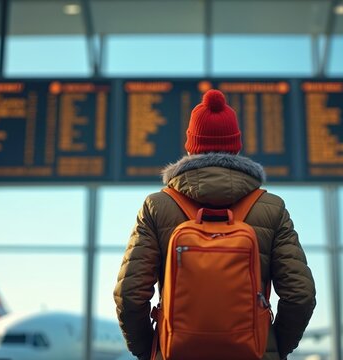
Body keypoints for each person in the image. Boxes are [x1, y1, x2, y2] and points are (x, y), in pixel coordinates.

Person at [114, 89, 316, 360]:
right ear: (236, 146)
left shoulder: (157, 207)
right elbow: (300, 295)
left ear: (190, 146)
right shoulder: (272, 208)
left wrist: (151, 350)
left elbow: (129, 295)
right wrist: (272, 347)